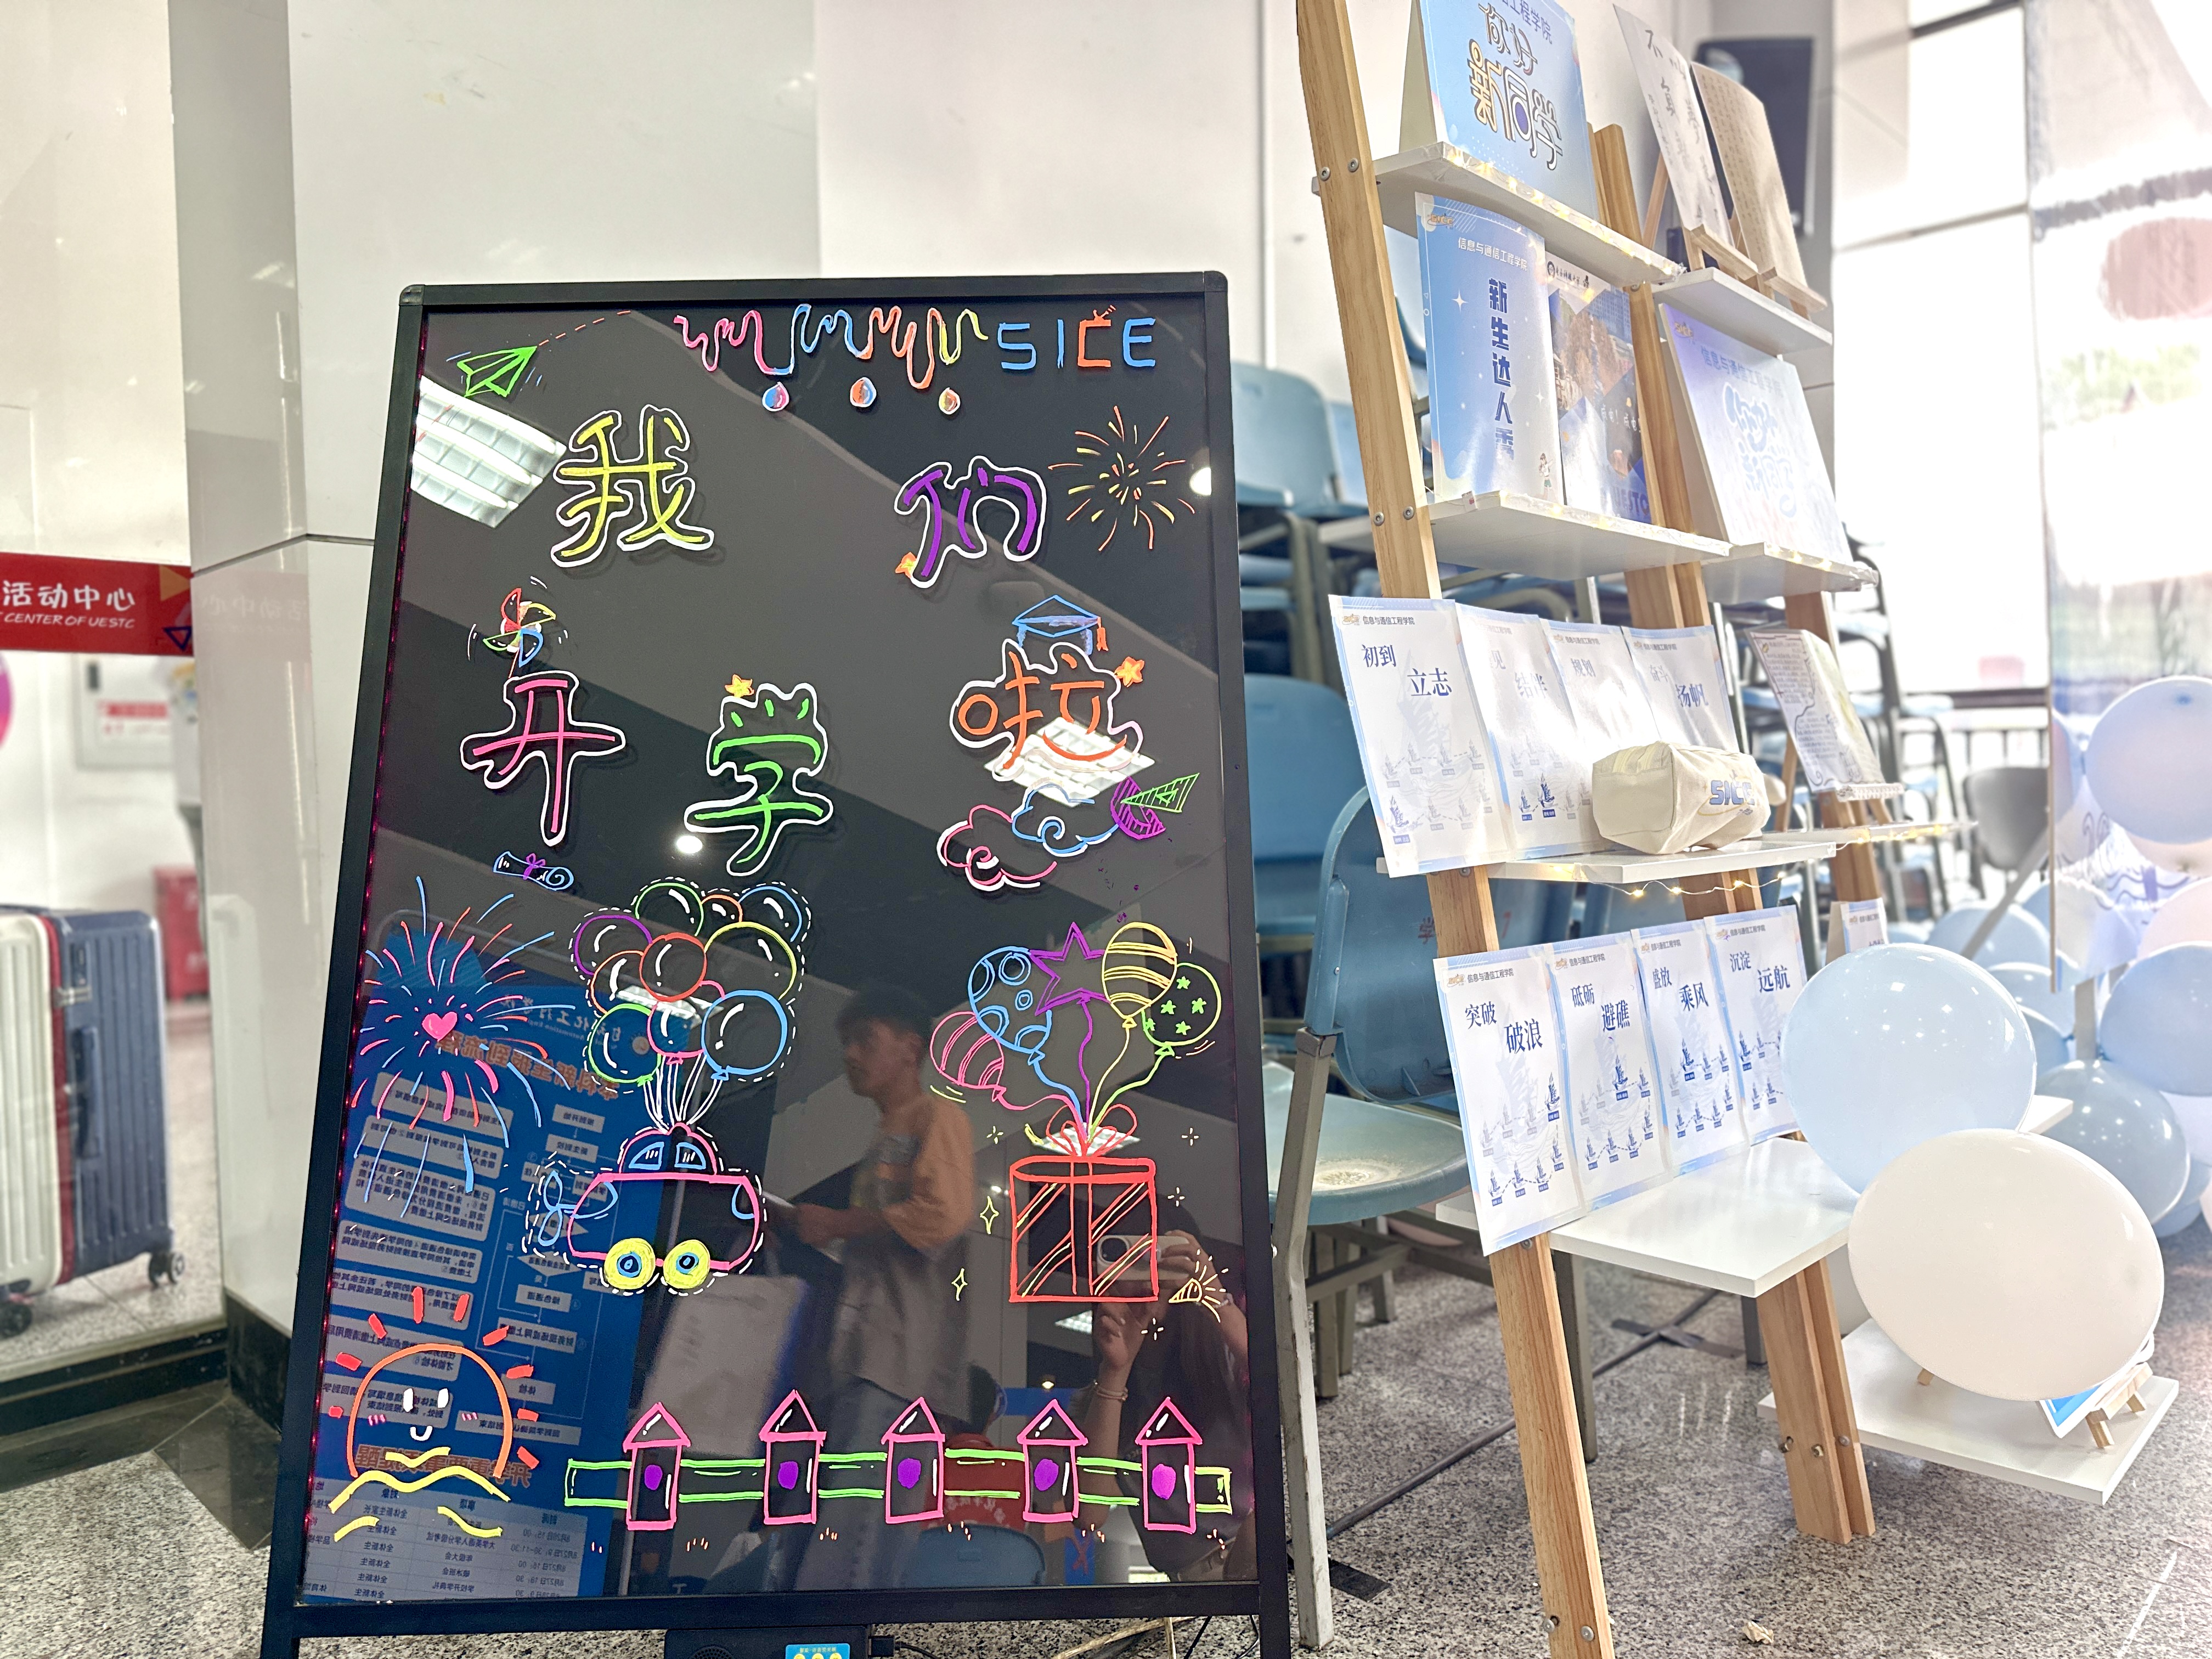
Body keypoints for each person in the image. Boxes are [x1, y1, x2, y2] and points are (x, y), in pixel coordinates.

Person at [776, 983, 975, 1589]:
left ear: (910, 1048)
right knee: (838, 1537)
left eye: (865, 1039)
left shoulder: (938, 1116)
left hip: (899, 1365)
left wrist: (839, 1224)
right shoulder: (887, 1133)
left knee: (852, 1548)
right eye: (847, 1042)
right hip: (864, 1358)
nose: (851, 1054)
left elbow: (944, 1215)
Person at [1075, 1204, 1256, 1582]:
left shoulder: (1226, 1357)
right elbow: (1090, 1515)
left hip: (1259, 1552)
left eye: (1158, 1256)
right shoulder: (1098, 1400)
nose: (1147, 1275)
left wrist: (1215, 1299)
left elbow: (1293, 1397)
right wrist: (1116, 1371)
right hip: (1195, 1585)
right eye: (1127, 1257)